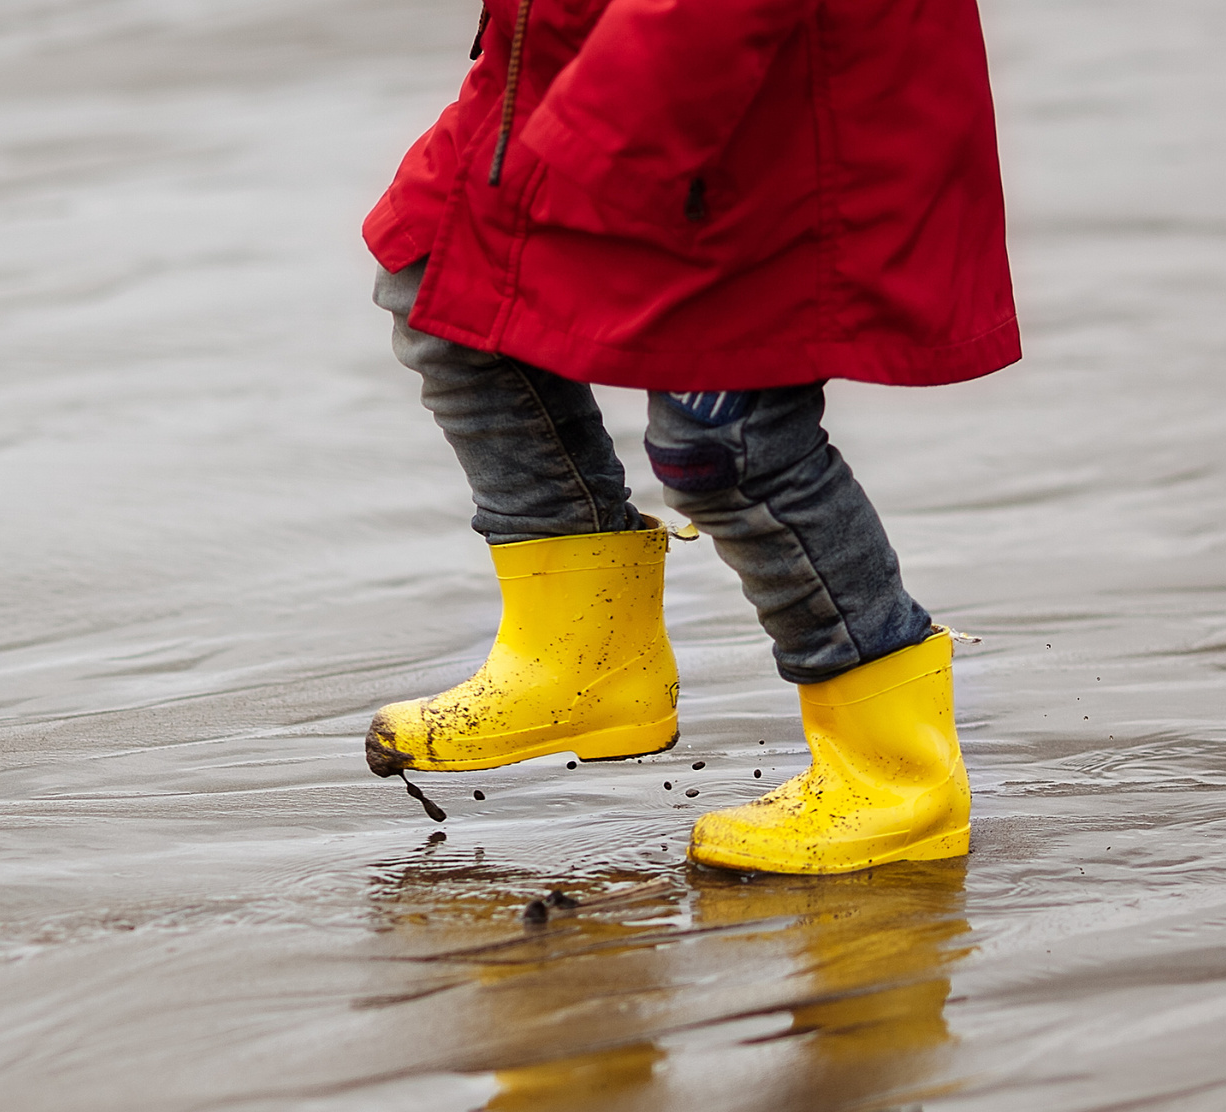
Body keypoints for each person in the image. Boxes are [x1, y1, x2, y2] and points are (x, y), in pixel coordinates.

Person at [359, 0, 1017, 874]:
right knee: (439, 284)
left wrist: (606, 124)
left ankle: (896, 774)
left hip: (768, 105)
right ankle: (584, 655)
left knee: (725, 438)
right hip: (571, 55)